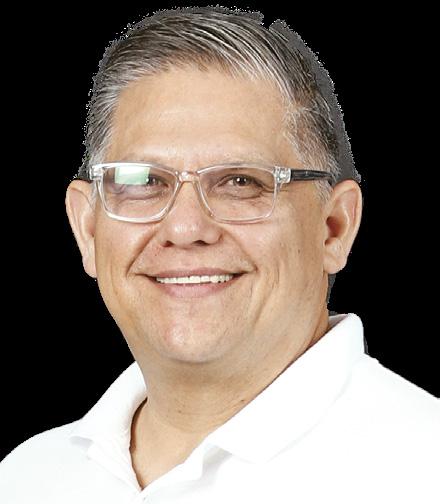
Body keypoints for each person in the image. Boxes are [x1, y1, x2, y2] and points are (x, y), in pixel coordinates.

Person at [1, 6, 438, 503]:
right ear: (87, 228)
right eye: (144, 181)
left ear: (333, 228)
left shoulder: (426, 469)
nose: (186, 228)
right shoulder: (27, 478)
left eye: (241, 182)